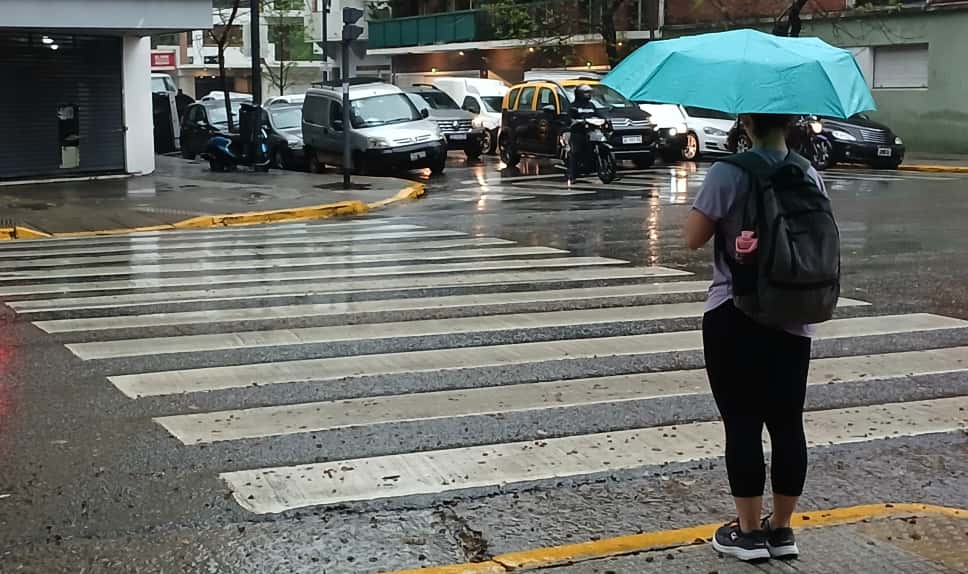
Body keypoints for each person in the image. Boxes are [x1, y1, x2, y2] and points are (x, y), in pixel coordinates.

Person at [684, 113, 829, 562]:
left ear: (745, 121)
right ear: (788, 123)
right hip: (794, 315)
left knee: (742, 423)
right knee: (788, 424)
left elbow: (692, 238)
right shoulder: (808, 172)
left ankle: (747, 534)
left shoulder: (728, 172)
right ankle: (781, 531)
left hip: (735, 312)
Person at [567, 84, 598, 184]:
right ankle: (572, 175)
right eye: (586, 92)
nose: (588, 94)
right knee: (576, 152)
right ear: (579, 94)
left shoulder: (591, 105)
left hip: (591, 131)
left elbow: (597, 115)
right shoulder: (573, 106)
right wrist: (575, 121)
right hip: (578, 132)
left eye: (589, 92)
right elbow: (569, 118)